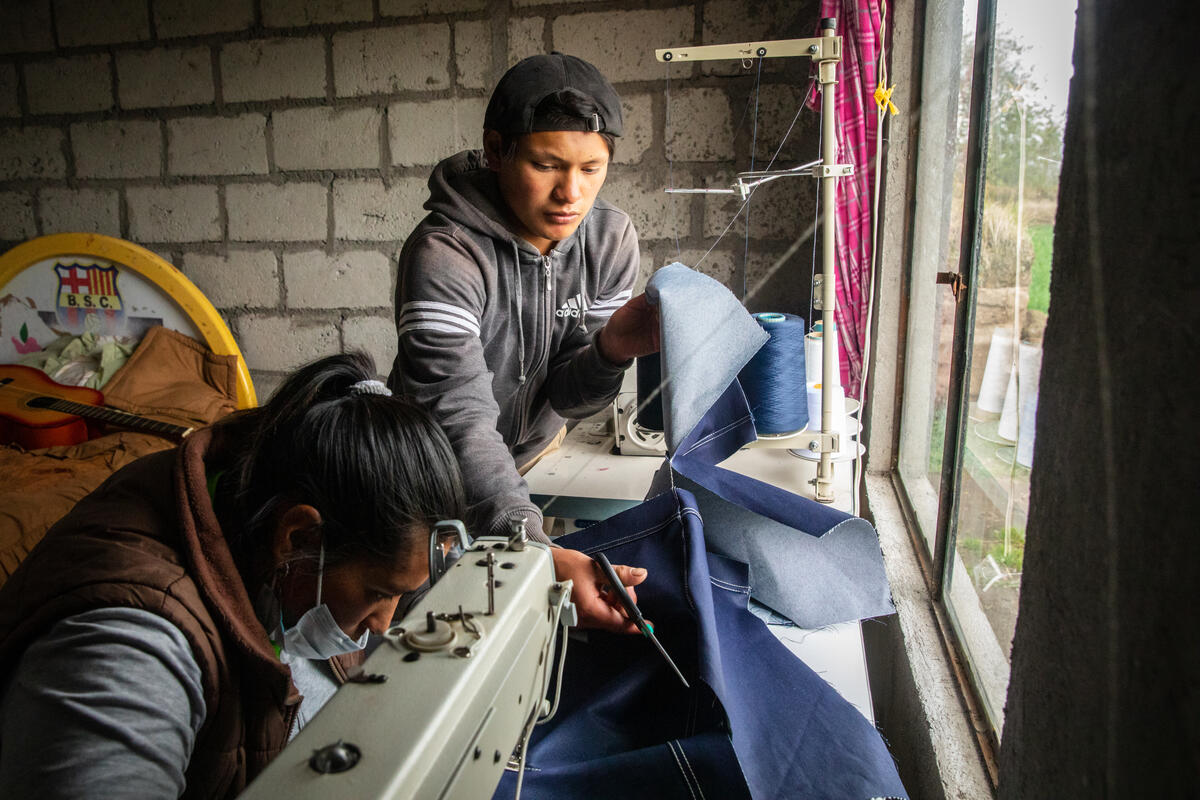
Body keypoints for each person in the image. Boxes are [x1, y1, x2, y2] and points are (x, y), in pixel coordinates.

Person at [0, 353, 468, 798]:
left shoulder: (267, 509)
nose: (382, 625)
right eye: (379, 593)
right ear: (299, 537)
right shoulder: (128, 657)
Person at [389, 53, 659, 628]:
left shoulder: (609, 241)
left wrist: (612, 348)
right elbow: (456, 418)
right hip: (422, 476)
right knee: (423, 633)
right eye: (546, 164)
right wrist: (532, 549)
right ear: (495, 150)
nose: (572, 194)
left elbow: (568, 397)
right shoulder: (445, 254)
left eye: (592, 168)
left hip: (518, 466)